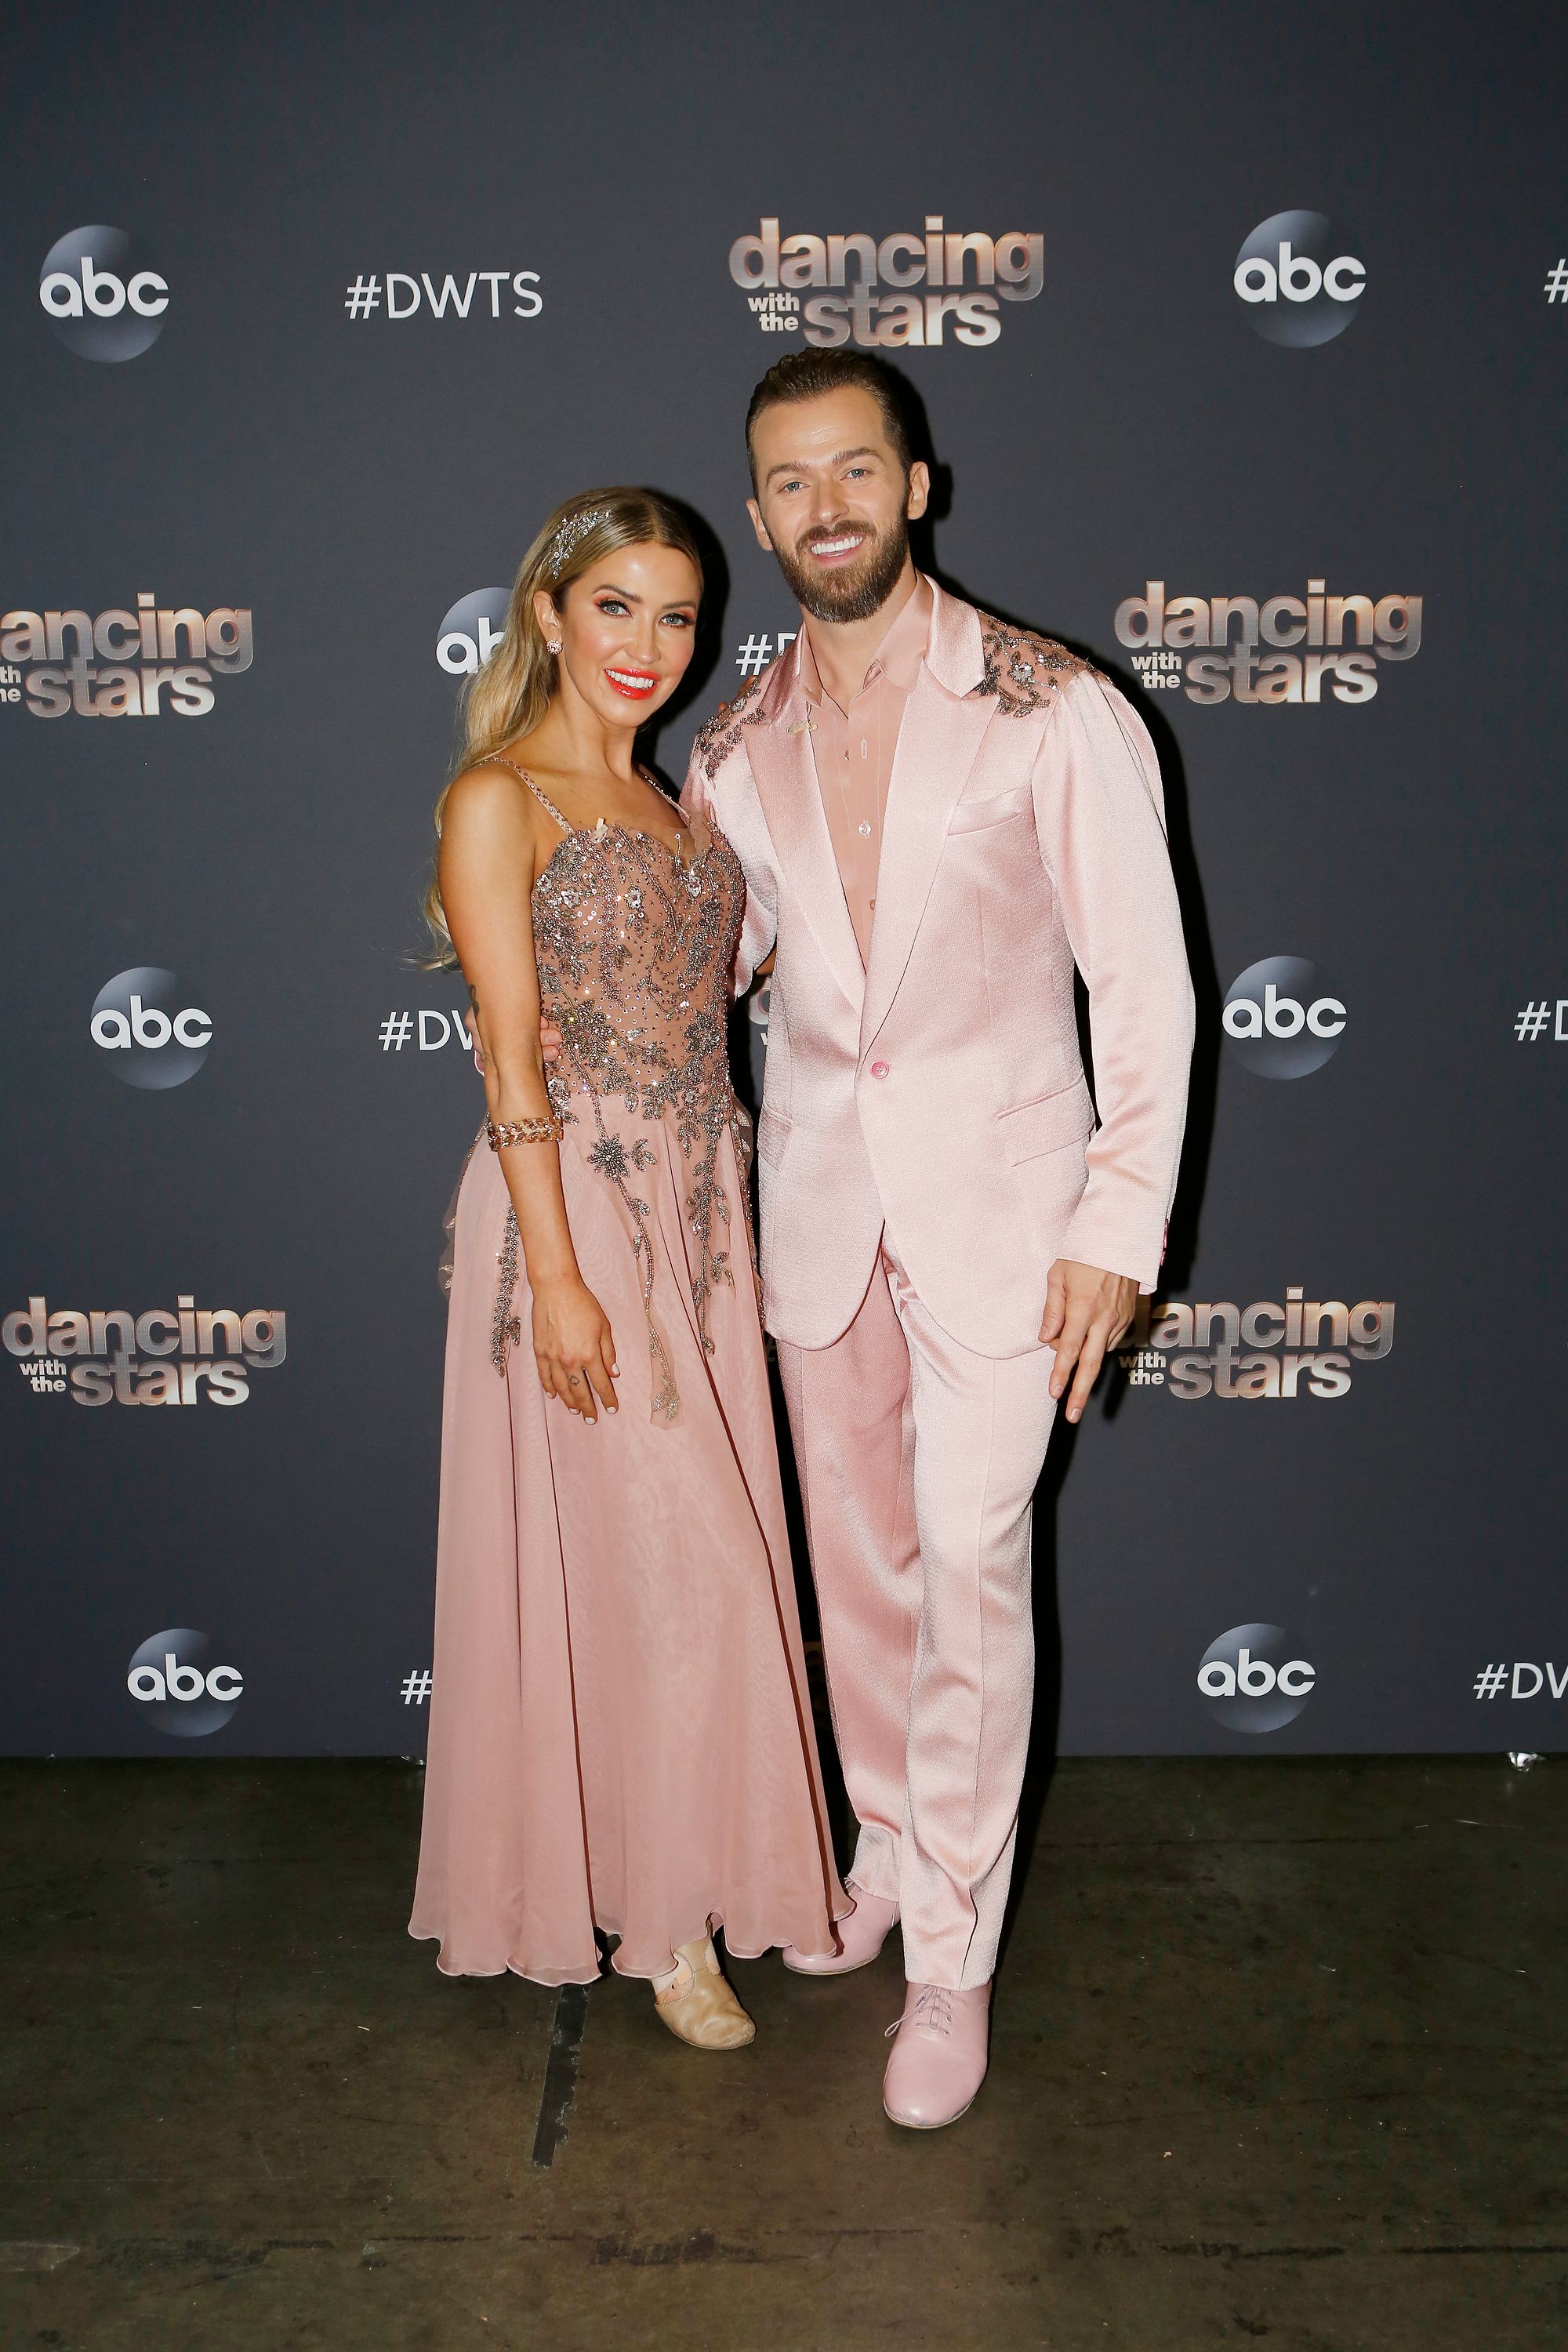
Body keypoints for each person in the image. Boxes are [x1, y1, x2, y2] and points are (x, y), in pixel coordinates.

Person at [681, 352, 1194, 2125]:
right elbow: (729, 975)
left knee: (971, 1576)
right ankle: (887, 1851)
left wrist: (1118, 1221)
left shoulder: (1053, 706)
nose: (822, 507)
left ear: (919, 485)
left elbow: (1145, 987)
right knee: (860, 1578)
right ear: (759, 516)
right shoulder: (730, 749)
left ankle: (952, 1964)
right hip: (816, 1215)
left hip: (1012, 1221)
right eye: (787, 482)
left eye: (853, 470)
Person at [408, 487, 845, 2050]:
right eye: (616, 608)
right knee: (684, 1571)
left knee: (677, 1569)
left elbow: (711, 992)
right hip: (574, 1216)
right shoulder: (498, 796)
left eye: (676, 613)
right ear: (548, 615)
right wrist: (562, 1273)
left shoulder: (681, 807)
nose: (649, 643)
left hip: (706, 1220)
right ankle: (666, 1932)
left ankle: (710, 1882)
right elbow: (505, 1054)